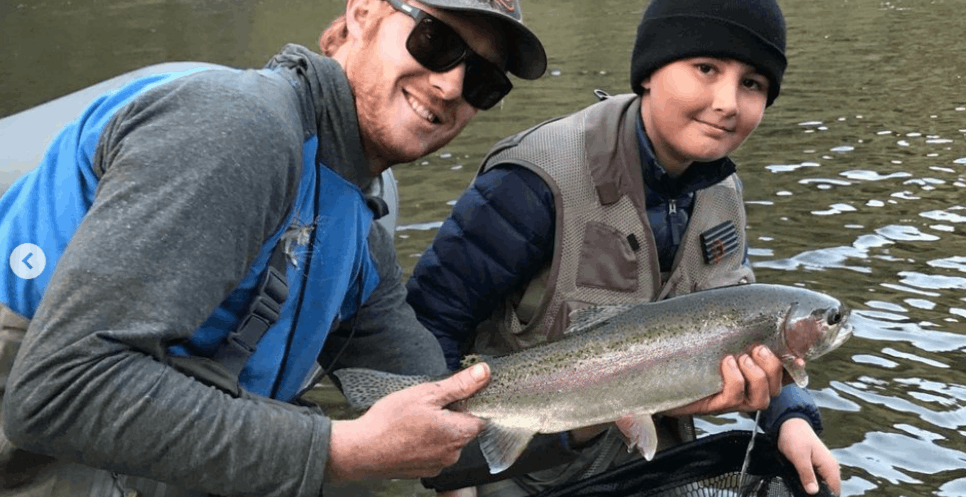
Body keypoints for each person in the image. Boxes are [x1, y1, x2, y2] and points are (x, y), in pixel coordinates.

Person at [0, 0, 547, 496]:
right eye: (436, 40)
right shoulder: (238, 127)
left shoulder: (354, 217)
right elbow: (58, 391)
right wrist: (342, 449)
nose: (451, 86)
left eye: (482, 80)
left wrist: (603, 404)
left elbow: (437, 404)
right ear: (362, 13)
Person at [406, 0, 842, 496]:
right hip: (523, 474)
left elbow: (746, 321)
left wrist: (791, 420)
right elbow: (429, 323)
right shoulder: (535, 180)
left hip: (654, 467)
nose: (727, 102)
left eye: (752, 84)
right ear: (649, 72)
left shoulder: (723, 193)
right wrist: (452, 480)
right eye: (705, 68)